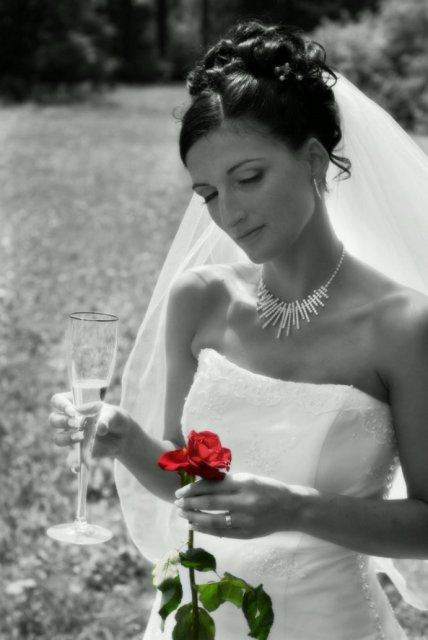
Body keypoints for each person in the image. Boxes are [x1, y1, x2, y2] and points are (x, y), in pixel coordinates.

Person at [49, 20, 428, 640]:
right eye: (207, 193)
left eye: (248, 178)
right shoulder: (200, 298)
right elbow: (185, 480)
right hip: (191, 619)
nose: (228, 213)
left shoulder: (403, 325)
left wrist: (296, 509)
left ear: (313, 159)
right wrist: (123, 437)